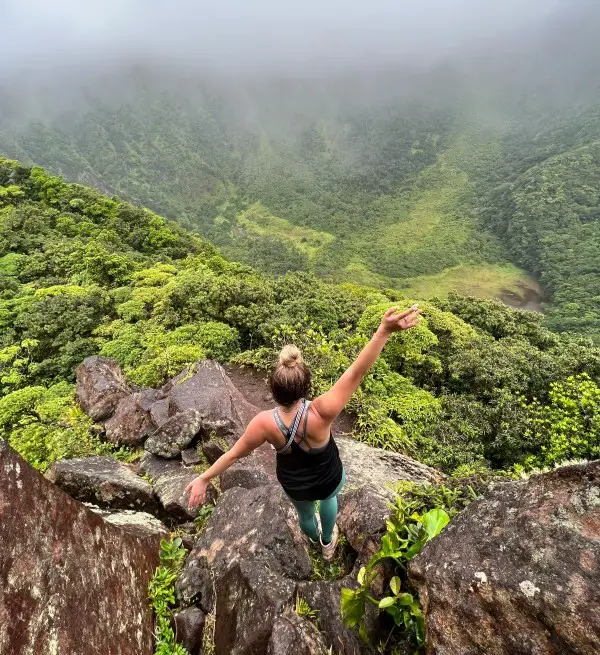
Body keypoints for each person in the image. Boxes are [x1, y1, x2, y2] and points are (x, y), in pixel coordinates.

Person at [186, 304, 421, 561]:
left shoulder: (263, 423)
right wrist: (383, 331)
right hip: (327, 474)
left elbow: (232, 455)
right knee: (330, 498)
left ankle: (312, 536)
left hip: (295, 483)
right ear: (306, 385)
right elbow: (357, 372)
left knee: (306, 515)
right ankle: (328, 542)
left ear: (273, 390)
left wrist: (204, 478)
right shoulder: (322, 412)